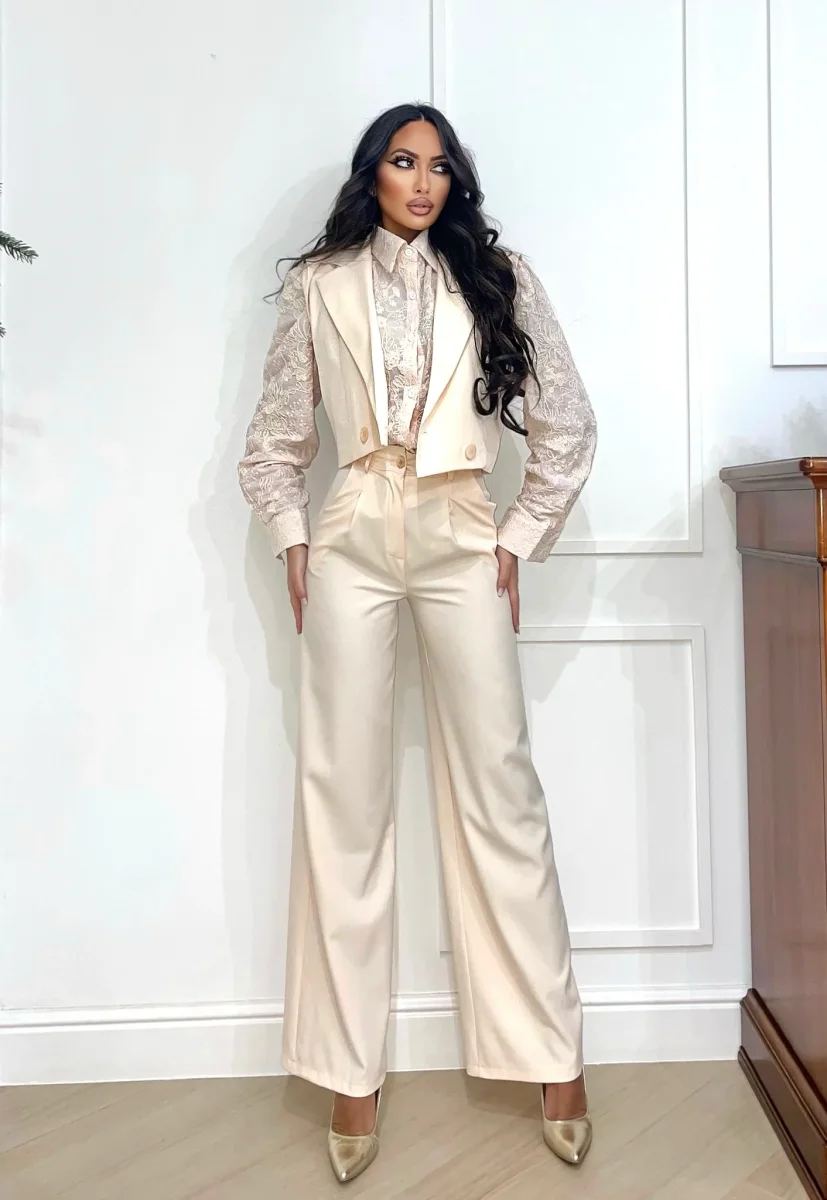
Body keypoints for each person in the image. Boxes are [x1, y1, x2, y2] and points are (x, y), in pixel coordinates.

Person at [238, 102, 597, 1184]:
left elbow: (569, 422)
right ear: (374, 174)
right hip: (353, 529)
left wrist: (519, 537)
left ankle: (552, 1057)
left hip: (458, 525)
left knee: (500, 787)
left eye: (439, 166)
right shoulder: (320, 285)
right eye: (403, 162)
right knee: (342, 796)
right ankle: (347, 1072)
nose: (423, 181)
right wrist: (294, 537)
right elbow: (275, 440)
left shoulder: (498, 276)